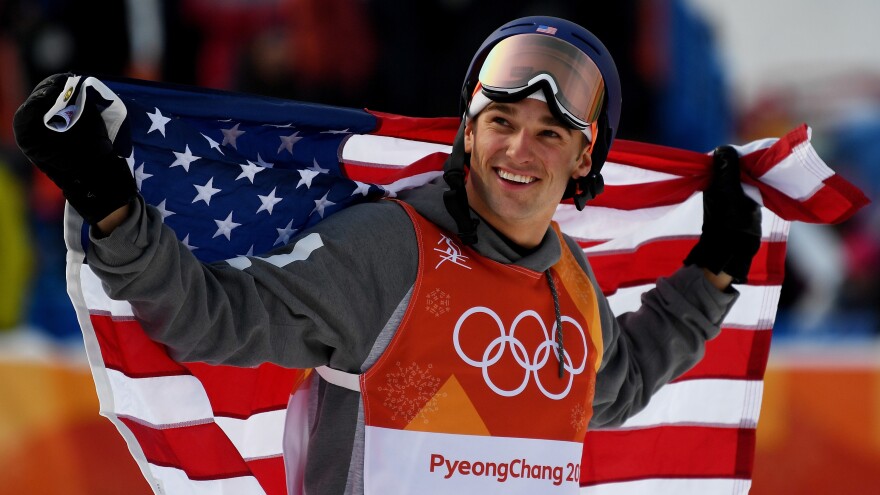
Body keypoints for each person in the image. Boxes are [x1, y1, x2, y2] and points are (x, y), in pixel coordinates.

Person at [13, 16, 761, 495]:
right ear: (467, 132)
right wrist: (110, 199)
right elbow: (213, 320)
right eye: (499, 120)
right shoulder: (392, 252)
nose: (517, 150)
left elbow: (613, 389)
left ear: (582, 161)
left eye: (549, 134)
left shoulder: (568, 277)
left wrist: (714, 272)